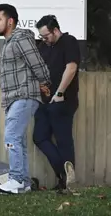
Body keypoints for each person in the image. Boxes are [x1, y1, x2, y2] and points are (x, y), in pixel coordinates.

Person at [0, 3, 50, 194]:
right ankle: (23, 182)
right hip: (13, 98)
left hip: (24, 95)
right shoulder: (8, 43)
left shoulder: (20, 39)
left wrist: (45, 83)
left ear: (10, 21)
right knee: (18, 139)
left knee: (11, 136)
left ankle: (16, 178)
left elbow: (38, 64)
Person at [33, 15, 80, 191]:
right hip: (44, 101)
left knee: (63, 140)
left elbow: (71, 67)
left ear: (55, 30)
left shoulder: (68, 41)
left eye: (46, 36)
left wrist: (59, 93)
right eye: (41, 37)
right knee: (39, 137)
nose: (44, 40)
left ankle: (67, 183)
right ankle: (64, 174)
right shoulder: (44, 47)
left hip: (62, 101)